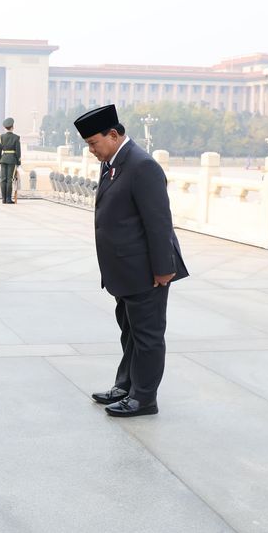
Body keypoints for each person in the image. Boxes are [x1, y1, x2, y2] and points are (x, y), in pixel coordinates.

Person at [74, 104, 188, 418]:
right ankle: (125, 385)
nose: (92, 150)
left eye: (94, 143)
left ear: (113, 134)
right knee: (130, 332)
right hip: (124, 271)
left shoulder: (142, 166)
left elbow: (159, 222)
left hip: (146, 271)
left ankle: (144, 398)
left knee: (148, 336)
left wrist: (164, 268)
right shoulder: (112, 162)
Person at [0, 117, 21, 204]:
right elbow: (18, 151)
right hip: (12, 160)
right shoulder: (16, 137)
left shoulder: (1, 137)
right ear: (12, 127)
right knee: (9, 179)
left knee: (3, 179)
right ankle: (8, 199)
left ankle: (3, 199)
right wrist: (18, 161)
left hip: (3, 159)